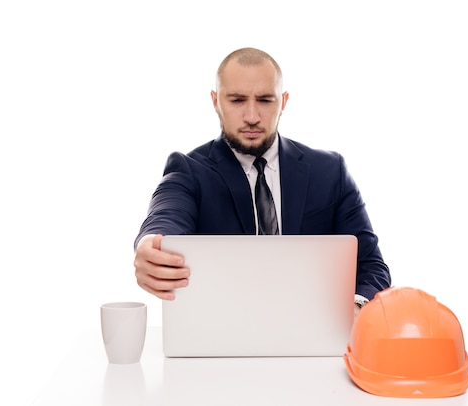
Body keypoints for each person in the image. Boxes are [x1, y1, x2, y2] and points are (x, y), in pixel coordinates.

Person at [133, 47, 391, 314]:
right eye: (237, 100)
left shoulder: (329, 171)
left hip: (314, 340)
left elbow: (371, 264)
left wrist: (357, 308)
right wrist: (150, 245)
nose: (252, 117)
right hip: (223, 337)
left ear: (284, 101)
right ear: (215, 101)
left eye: (266, 100)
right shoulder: (189, 170)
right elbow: (165, 216)